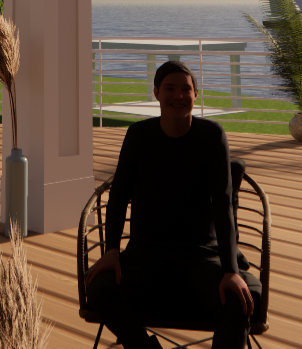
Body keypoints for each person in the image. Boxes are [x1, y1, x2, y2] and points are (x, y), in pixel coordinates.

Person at [85, 60, 254, 349]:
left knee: (238, 302)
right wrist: (111, 250)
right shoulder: (138, 136)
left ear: (196, 95)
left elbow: (223, 206)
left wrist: (230, 271)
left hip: (202, 254)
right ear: (156, 93)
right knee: (99, 291)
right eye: (170, 88)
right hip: (146, 254)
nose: (178, 95)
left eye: (186, 89)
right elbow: (119, 195)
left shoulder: (212, 136)